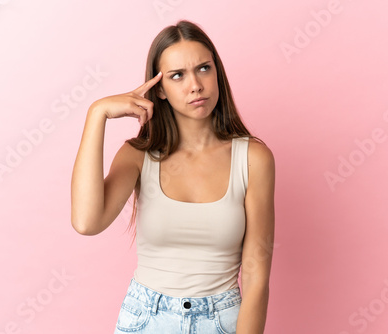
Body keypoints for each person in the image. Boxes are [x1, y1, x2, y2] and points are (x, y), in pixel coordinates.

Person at [71, 20, 275, 334]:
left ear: (217, 73)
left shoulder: (253, 159)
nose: (195, 85)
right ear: (160, 90)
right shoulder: (139, 155)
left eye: (204, 69)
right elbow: (87, 222)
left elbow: (256, 274)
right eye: (177, 75)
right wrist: (96, 113)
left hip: (222, 319)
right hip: (145, 319)